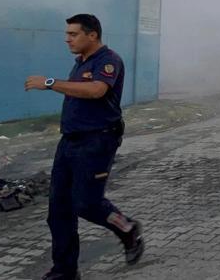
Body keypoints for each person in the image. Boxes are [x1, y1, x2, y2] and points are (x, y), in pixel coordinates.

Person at [24, 14, 143, 280]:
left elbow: (97, 90)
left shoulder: (108, 60)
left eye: (73, 34)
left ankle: (127, 228)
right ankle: (64, 271)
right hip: (69, 141)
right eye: (67, 34)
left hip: (97, 141)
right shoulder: (81, 62)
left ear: (92, 35)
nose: (67, 39)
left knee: (87, 203)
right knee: (58, 211)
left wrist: (51, 83)